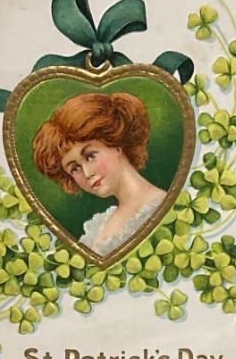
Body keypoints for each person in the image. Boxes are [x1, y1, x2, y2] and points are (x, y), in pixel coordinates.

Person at [31, 92, 167, 258]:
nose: (87, 173)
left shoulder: (161, 207)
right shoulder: (100, 225)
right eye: (75, 168)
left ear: (116, 145)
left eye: (91, 156)